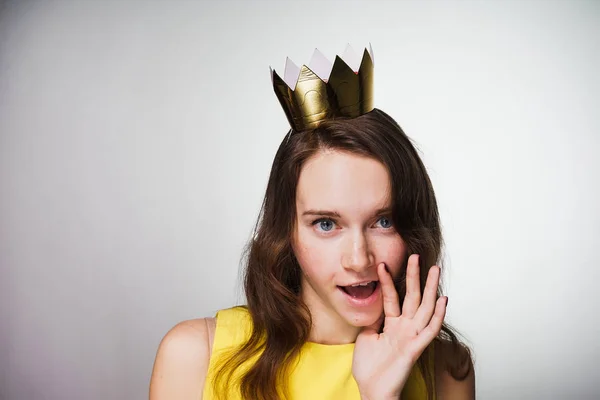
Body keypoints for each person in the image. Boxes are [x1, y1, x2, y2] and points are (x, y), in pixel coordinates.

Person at [149, 45, 475, 400]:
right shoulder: (196, 355)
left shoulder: (446, 368)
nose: (358, 259)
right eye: (326, 224)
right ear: (285, 230)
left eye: (383, 221)